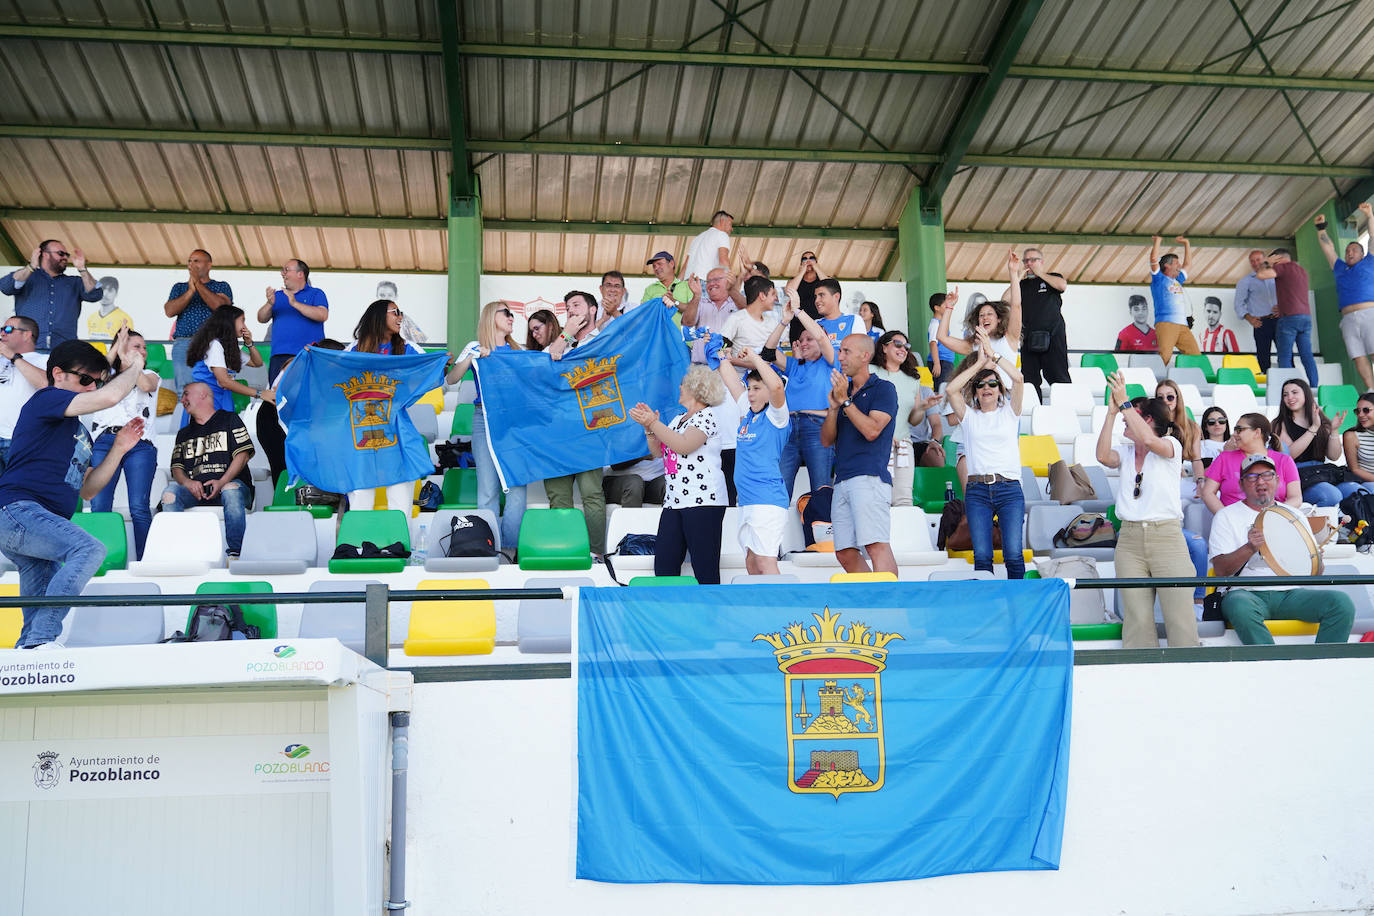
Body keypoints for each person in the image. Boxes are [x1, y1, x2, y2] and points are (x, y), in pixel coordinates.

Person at [0, 332, 147, 647]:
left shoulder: (78, 429)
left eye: (96, 381)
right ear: (58, 374)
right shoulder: (47, 398)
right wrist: (134, 367)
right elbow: (108, 398)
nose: (92, 387)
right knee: (89, 549)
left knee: (36, 612)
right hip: (21, 511)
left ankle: (32, 646)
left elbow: (88, 491)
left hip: (33, 520)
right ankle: (43, 637)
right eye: (85, 380)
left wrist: (119, 448)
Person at [1096, 373, 1200, 648]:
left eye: (1129, 415)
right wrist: (1110, 413)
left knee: (1180, 618)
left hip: (1166, 536)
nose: (1123, 419)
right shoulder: (1127, 452)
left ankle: (1190, 676)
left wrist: (1125, 403)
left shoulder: (1172, 445)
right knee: (1137, 620)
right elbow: (1102, 456)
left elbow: (1153, 443)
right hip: (1129, 539)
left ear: (1148, 420)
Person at [1208, 453, 1355, 645]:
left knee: (1341, 603)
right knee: (1238, 604)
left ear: (1278, 481)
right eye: (1252, 477)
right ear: (1242, 484)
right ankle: (1272, 664)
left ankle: (1322, 664)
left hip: (1291, 593)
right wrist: (1250, 547)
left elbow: (1315, 573)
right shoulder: (1226, 516)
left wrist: (1315, 559)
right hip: (1245, 592)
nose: (1260, 481)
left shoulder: (1294, 514)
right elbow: (1220, 571)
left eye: (1267, 475)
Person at [629, 366, 728, 584]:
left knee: (705, 568)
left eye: (684, 384)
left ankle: (710, 614)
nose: (680, 387)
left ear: (696, 388)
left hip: (703, 501)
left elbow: (684, 445)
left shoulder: (706, 417)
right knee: (664, 565)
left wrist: (653, 423)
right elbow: (659, 452)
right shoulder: (678, 419)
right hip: (675, 502)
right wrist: (649, 429)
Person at [443, 302, 527, 554]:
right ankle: (489, 549)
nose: (512, 318)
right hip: (484, 418)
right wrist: (472, 357)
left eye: (512, 314)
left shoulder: (518, 349)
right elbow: (451, 379)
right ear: (492, 316)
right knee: (488, 488)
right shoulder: (475, 346)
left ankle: (510, 551)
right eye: (506, 313)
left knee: (516, 487)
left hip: (513, 420)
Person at [944, 330, 1026, 579]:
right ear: (976, 392)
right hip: (978, 490)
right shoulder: (969, 417)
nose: (986, 387)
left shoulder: (1010, 413)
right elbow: (951, 389)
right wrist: (979, 363)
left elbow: (1019, 379)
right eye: (981, 385)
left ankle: (1018, 607)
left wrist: (994, 355)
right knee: (982, 556)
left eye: (992, 384)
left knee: (1013, 554)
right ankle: (986, 609)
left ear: (1000, 390)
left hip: (1009, 488)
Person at [821, 334, 899, 576]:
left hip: (869, 477)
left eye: (845, 351)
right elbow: (826, 440)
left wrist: (845, 402)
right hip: (842, 478)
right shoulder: (845, 393)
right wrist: (834, 408)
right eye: (840, 351)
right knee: (844, 552)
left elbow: (872, 430)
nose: (840, 357)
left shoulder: (884, 388)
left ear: (865, 356)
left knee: (875, 544)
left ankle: (890, 604)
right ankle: (872, 601)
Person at [342, 299, 428, 514]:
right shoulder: (355, 349)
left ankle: (400, 546)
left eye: (401, 312)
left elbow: (428, 368)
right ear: (379, 316)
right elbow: (332, 374)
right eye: (395, 312)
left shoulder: (407, 347)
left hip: (395, 428)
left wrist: (442, 362)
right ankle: (358, 547)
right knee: (361, 496)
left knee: (400, 495)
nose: (400, 317)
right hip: (359, 428)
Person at [85, 330, 160, 559]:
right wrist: (118, 347)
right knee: (99, 505)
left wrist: (131, 361)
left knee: (139, 507)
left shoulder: (150, 373)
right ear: (121, 349)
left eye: (144, 347)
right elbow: (92, 379)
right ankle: (99, 560)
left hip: (140, 442)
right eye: (137, 346)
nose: (143, 351)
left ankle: (145, 560)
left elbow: (146, 385)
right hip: (105, 441)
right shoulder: (107, 375)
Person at [161, 381, 254, 558]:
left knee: (230, 490)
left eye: (186, 394)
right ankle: (178, 553)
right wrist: (188, 483)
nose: (182, 400)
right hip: (197, 492)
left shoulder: (229, 419)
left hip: (232, 486)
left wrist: (222, 481)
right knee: (170, 493)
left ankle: (237, 554)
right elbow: (176, 469)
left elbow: (242, 455)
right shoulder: (184, 433)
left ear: (203, 394)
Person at [547, 291, 609, 557]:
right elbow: (546, 362)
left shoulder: (607, 339)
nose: (571, 310)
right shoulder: (561, 343)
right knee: (558, 498)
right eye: (567, 307)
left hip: (591, 428)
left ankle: (594, 554)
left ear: (592, 310)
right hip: (558, 431)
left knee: (591, 494)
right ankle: (564, 549)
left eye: (576, 305)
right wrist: (566, 334)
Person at [717, 349, 789, 575]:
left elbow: (777, 387)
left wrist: (755, 360)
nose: (750, 394)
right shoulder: (748, 413)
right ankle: (760, 610)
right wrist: (719, 355)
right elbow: (731, 381)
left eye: (757, 388)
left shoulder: (777, 416)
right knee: (751, 562)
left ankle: (781, 610)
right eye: (749, 388)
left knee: (766, 562)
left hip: (767, 501)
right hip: (747, 501)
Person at [764, 301, 836, 500]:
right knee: (779, 492)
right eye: (801, 339)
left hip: (818, 428)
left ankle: (821, 530)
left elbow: (821, 337)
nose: (803, 343)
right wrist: (784, 321)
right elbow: (768, 353)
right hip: (789, 431)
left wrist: (797, 311)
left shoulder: (831, 362)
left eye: (808, 339)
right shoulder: (794, 365)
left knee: (821, 492)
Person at [0, 240, 102, 351]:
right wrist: (31, 267)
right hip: (28, 349)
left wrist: (82, 268)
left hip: (64, 349)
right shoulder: (28, 276)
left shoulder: (74, 282)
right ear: (45, 254)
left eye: (66, 255)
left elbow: (95, 294)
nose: (65, 258)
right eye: (61, 253)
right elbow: (6, 287)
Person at [873, 329, 934, 507]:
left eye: (906, 346)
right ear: (884, 348)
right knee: (878, 497)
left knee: (904, 498)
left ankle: (903, 536)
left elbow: (913, 420)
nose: (903, 349)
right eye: (897, 344)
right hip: (874, 443)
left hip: (903, 445)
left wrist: (922, 408)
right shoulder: (870, 371)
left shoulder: (912, 379)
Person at [1316, 203, 1374, 391]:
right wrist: (1320, 229)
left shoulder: (1369, 262)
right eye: (1348, 251)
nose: (1349, 253)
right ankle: (1372, 391)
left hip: (1369, 313)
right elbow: (1328, 249)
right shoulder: (1339, 268)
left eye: (1354, 250)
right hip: (1348, 318)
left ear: (1362, 253)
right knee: (1358, 356)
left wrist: (1370, 215)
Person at [163, 248, 234, 393]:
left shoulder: (221, 286)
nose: (191, 265)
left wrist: (198, 285)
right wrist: (190, 291)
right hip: (185, 343)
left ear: (209, 265)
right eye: (189, 261)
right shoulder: (180, 287)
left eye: (196, 261)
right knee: (185, 390)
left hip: (213, 343)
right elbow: (169, 311)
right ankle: (186, 416)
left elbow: (220, 306)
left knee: (213, 389)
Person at [1202, 413, 1301, 512]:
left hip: (1272, 521)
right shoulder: (1224, 458)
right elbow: (1208, 493)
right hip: (1235, 523)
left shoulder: (1284, 460)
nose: (1234, 434)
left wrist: (1272, 514)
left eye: (1239, 430)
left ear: (1257, 433)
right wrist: (1226, 517)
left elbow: (1296, 498)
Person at [184, 305, 268, 422]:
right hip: (206, 402)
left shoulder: (228, 347)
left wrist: (249, 343)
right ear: (230, 322)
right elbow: (224, 381)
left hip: (222, 399)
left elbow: (257, 363)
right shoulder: (214, 345)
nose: (245, 326)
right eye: (242, 321)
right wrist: (260, 394)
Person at [1273, 377, 1346, 507]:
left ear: (1306, 394)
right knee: (1331, 495)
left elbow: (1334, 456)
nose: (1290, 397)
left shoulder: (1320, 419)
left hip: (1322, 471)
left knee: (1354, 491)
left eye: (1295, 392)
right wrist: (1313, 429)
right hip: (1297, 475)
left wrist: (1334, 430)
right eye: (1285, 394)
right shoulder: (1279, 424)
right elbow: (1289, 455)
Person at [1010, 246, 1070, 398]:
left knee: (1058, 377)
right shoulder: (1022, 285)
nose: (1029, 263)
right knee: (1030, 380)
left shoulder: (1052, 277)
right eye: (1026, 261)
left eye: (1033, 260)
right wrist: (1016, 279)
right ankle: (1034, 411)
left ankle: (1065, 409)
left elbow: (1062, 285)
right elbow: (1005, 301)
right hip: (1028, 338)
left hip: (1053, 336)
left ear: (1041, 261)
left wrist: (1040, 273)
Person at [258, 258, 329, 384]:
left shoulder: (316, 293)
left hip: (309, 353)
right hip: (279, 355)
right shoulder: (278, 295)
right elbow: (261, 318)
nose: (282, 273)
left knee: (309, 392)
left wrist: (294, 303)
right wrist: (269, 303)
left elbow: (322, 315)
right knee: (278, 395)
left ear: (300, 274)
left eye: (286, 270)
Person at [1256, 248, 1317, 386]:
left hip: (1289, 318)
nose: (1272, 265)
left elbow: (1261, 275)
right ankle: (1314, 387)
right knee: (1307, 356)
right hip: (1305, 317)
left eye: (1273, 261)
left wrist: (1265, 262)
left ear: (1278, 258)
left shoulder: (1282, 267)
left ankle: (1288, 389)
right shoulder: (1301, 271)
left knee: (1284, 356)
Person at [0, 316, 48, 471]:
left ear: (27, 334)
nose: (3, 333)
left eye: (8, 329)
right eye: (2, 329)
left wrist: (13, 357)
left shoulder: (44, 360)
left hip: (21, 441)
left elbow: (45, 384)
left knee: (17, 492)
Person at [1147, 235, 1199, 364]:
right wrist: (1158, 241)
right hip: (1166, 323)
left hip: (1183, 326)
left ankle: (1194, 381)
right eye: (1176, 263)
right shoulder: (1159, 278)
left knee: (1195, 356)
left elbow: (1188, 264)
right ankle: (1150, 382)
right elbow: (1153, 259)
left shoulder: (1178, 280)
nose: (1180, 266)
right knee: (1164, 356)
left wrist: (1187, 243)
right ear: (1167, 266)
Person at [720, 276, 780, 374]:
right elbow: (722, 351)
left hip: (766, 382)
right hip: (739, 383)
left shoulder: (772, 322)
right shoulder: (736, 319)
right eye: (773, 294)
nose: (776, 298)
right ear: (762, 296)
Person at [1234, 249, 1279, 375]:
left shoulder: (1276, 275)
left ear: (1265, 260)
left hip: (1279, 320)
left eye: (1258, 259)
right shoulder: (1245, 281)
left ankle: (1290, 382)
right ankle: (1265, 387)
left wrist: (1283, 307)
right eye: (1252, 261)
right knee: (1263, 358)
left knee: (1286, 355)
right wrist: (1249, 318)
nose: (1255, 263)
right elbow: (1238, 304)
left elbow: (1288, 293)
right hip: (1261, 322)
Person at [690, 268, 742, 363]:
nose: (712, 284)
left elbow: (749, 311)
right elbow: (688, 322)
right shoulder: (700, 303)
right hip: (700, 370)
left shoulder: (738, 303)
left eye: (716, 279)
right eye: (708, 281)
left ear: (728, 280)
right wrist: (696, 296)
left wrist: (733, 289)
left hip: (731, 369)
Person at [641, 252, 698, 327]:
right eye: (654, 266)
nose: (656, 268)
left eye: (659, 264)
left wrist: (674, 301)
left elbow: (693, 311)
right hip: (657, 337)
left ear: (671, 264)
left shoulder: (687, 286)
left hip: (680, 337)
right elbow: (644, 313)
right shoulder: (650, 289)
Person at [784, 251, 827, 340]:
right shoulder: (794, 280)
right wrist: (802, 271)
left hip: (818, 322)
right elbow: (789, 291)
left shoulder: (822, 279)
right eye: (804, 259)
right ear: (800, 263)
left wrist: (816, 267)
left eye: (811, 258)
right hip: (798, 323)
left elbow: (830, 287)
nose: (808, 261)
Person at [683, 210, 734, 283]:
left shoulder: (697, 238)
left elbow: (685, 266)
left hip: (687, 283)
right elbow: (723, 261)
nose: (731, 229)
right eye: (730, 224)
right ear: (722, 221)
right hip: (704, 281)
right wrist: (729, 283)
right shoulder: (722, 235)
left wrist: (675, 285)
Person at [1340, 391, 1374, 499]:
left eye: (1366, 410)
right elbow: (1354, 469)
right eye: (1357, 411)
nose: (1360, 415)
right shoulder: (1351, 436)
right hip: (1366, 482)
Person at [812, 278, 859, 348]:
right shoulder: (815, 324)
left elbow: (860, 351)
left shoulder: (854, 319)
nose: (816, 300)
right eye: (816, 297)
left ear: (836, 296)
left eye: (821, 295)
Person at [86, 276, 132, 341]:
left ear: (116, 293)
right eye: (102, 289)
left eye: (110, 290)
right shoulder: (91, 318)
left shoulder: (124, 319)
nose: (105, 294)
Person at [927, 292, 956, 387]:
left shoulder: (942, 322)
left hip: (946, 362)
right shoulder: (935, 324)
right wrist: (937, 363)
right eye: (945, 305)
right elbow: (933, 343)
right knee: (941, 389)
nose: (947, 307)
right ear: (937, 308)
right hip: (941, 362)